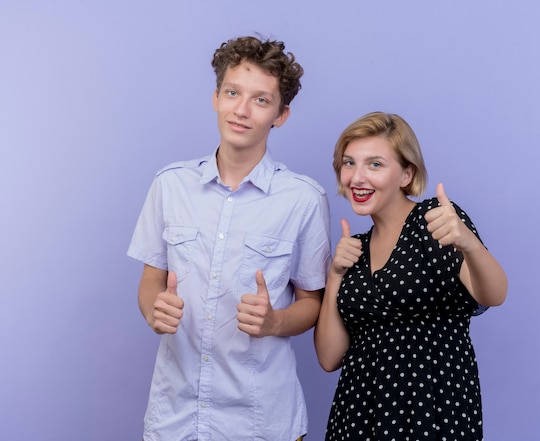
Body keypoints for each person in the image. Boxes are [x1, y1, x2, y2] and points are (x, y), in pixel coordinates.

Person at [128, 35, 331, 441]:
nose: (241, 110)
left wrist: (275, 322)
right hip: (175, 419)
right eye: (233, 92)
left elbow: (313, 303)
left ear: (281, 114)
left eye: (260, 100)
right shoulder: (170, 185)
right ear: (216, 97)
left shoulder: (304, 199)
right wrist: (154, 310)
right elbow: (152, 280)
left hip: (261, 422)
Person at [314, 111, 507, 440]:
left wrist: (469, 243)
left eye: (374, 164)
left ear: (406, 173)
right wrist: (335, 276)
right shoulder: (355, 248)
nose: (357, 177)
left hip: (430, 407)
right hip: (358, 411)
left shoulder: (435, 221)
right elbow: (330, 359)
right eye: (349, 163)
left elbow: (494, 295)